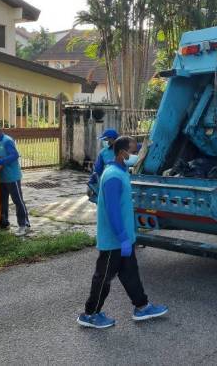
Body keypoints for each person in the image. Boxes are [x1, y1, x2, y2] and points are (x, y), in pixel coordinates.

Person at [77, 136, 168, 329]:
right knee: (103, 278)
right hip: (114, 240)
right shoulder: (112, 176)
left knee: (130, 274)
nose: (136, 155)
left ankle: (142, 307)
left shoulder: (121, 171)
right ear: (122, 153)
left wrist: (128, 237)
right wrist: (122, 237)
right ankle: (90, 314)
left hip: (123, 238)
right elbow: (112, 211)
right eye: (133, 152)